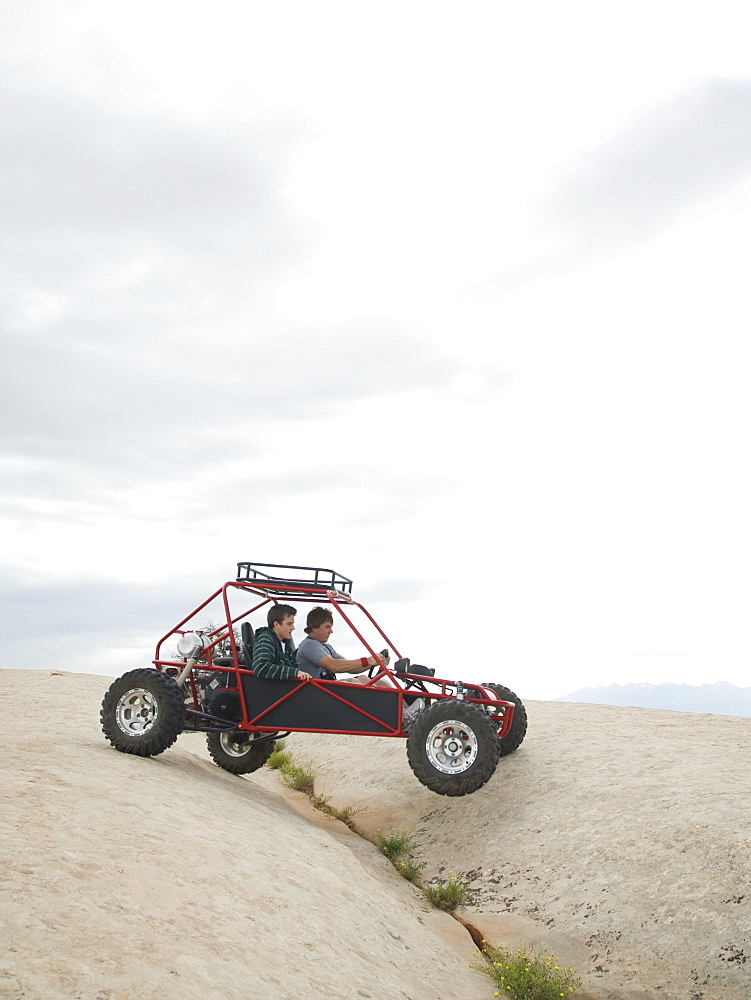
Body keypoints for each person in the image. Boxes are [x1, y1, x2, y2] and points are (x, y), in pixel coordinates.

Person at [296, 606, 391, 683]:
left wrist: (373, 662)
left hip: (326, 690)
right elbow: (333, 666)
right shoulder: (309, 645)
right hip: (315, 694)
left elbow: (350, 667)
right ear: (314, 628)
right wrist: (367, 661)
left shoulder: (326, 647)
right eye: (327, 627)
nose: (331, 631)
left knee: (381, 682)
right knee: (356, 681)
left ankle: (403, 707)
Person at [252, 604, 312, 681]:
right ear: (276, 624)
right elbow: (260, 667)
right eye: (289, 624)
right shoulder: (265, 639)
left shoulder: (285, 645)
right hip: (272, 690)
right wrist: (295, 673)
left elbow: (294, 667)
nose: (293, 628)